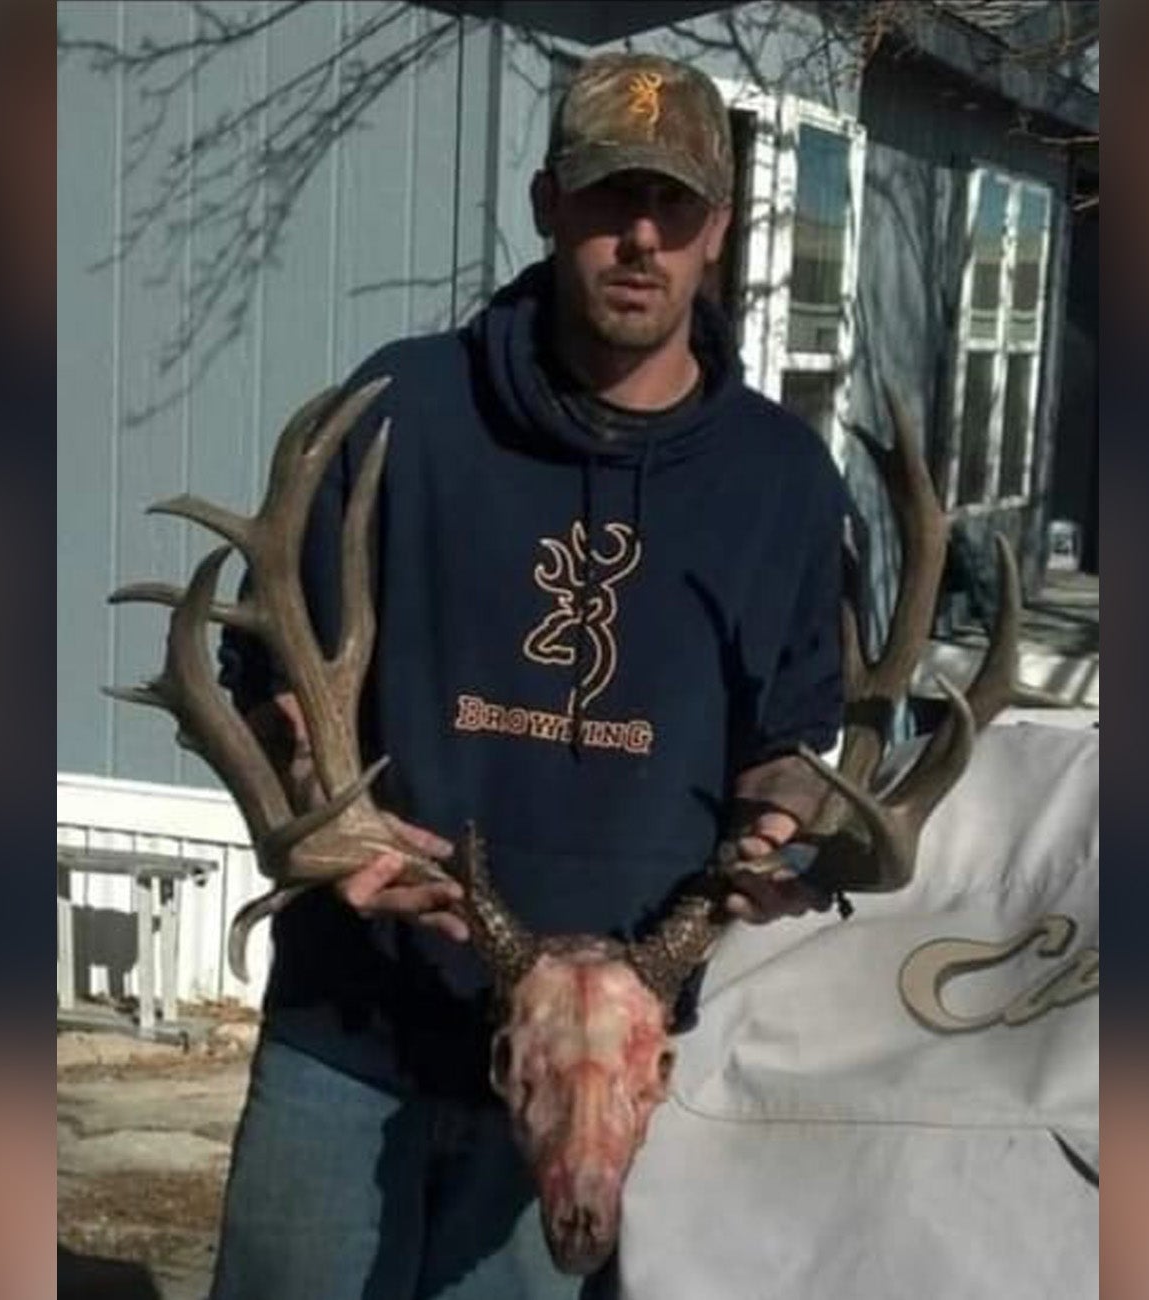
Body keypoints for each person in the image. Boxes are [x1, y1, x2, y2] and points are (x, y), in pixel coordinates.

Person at [210, 52, 852, 1300]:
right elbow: (265, 672)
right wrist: (308, 795)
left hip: (596, 1084)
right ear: (548, 202)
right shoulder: (404, 411)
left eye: (674, 208)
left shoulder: (783, 483)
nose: (640, 239)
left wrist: (787, 816)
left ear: (718, 230)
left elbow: (796, 741)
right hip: (354, 1035)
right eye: (611, 199)